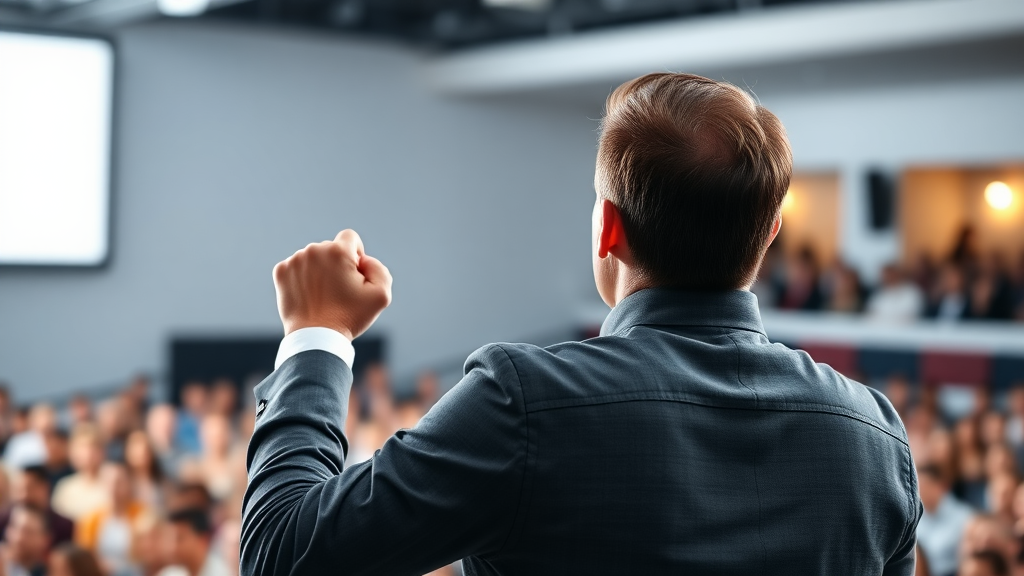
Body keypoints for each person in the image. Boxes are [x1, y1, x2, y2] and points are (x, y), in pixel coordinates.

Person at [241, 73, 921, 574]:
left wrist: (317, 335)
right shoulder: (875, 439)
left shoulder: (527, 404)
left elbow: (281, 554)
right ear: (767, 235)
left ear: (607, 227)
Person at [75, 462, 151, 576]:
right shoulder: (90, 519)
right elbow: (84, 556)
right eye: (108, 482)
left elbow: (148, 554)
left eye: (119, 482)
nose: (113, 487)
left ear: (129, 483)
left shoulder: (143, 515)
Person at [917, 465, 975, 576]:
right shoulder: (914, 517)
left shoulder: (965, 517)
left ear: (940, 486)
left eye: (925, 486)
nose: (920, 491)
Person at [0, 466, 74, 545]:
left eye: (30, 488)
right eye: (19, 489)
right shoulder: (3, 520)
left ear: (45, 488)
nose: (24, 496)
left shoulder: (64, 527)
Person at [52, 425, 109, 521]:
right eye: (82, 447)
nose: (88, 453)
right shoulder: (64, 487)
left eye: (93, 447)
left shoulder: (113, 485)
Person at [157, 509, 231, 576]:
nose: (172, 547)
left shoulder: (224, 572)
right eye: (169, 539)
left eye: (180, 539)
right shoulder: (170, 573)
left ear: (203, 539)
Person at [3, 505, 52, 576]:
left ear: (45, 540)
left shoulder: (49, 571)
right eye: (15, 528)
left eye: (29, 533)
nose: (19, 538)